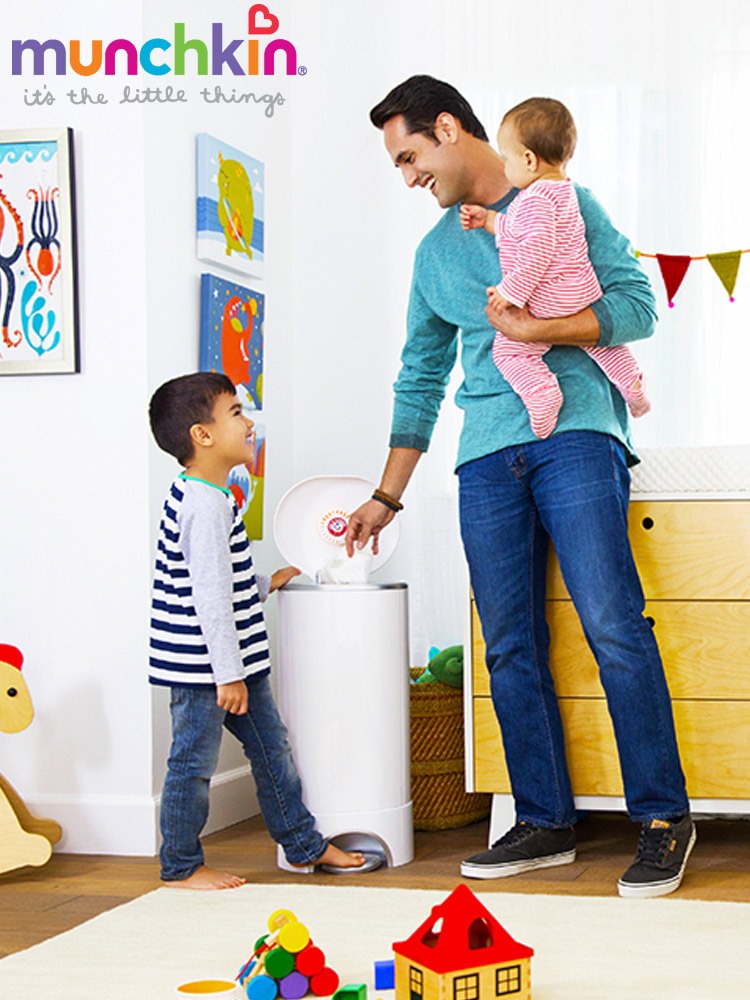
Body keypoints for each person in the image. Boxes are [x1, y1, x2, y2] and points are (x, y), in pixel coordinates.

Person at [346, 75, 695, 898]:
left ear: (447, 129)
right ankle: (543, 819)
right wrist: (386, 496)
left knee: (614, 624)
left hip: (576, 436)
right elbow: (420, 376)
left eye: (409, 157)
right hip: (486, 459)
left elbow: (638, 304)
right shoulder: (436, 254)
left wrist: (540, 329)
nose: (407, 178)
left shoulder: (564, 203)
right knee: (507, 645)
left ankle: (660, 819)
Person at [149, 371, 368, 888]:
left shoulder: (213, 496)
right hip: (208, 667)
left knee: (272, 750)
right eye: (236, 414)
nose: (249, 424)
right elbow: (208, 597)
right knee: (193, 764)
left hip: (235, 661)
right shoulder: (203, 504)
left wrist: (266, 582)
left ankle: (304, 845)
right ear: (202, 436)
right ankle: (180, 866)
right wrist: (227, 675)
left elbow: (222, 576)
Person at [460, 97, 649, 439]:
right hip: (583, 292)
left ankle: (543, 393)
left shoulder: (533, 198)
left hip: (550, 298)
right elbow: (521, 230)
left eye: (506, 158)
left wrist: (509, 292)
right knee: (601, 345)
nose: (504, 166)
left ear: (528, 159)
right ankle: (630, 381)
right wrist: (487, 219)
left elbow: (535, 251)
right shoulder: (565, 193)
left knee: (508, 350)